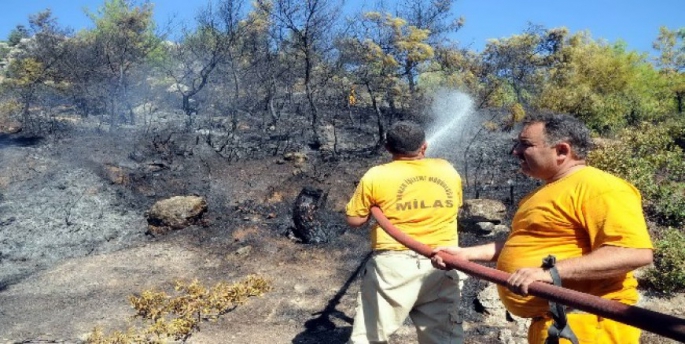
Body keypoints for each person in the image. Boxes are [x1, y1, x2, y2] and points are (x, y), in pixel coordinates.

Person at [432, 113, 654, 344]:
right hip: (555, 325)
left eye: (525, 145)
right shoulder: (541, 193)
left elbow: (633, 252)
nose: (515, 151)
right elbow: (524, 244)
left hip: (589, 327)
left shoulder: (601, 187)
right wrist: (467, 254)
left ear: (561, 151)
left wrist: (549, 274)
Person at [345, 120, 464, 344]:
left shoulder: (376, 175)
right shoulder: (446, 168)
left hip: (394, 267)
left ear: (388, 148)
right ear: (424, 147)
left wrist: (373, 206)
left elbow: (354, 219)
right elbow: (456, 205)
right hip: (445, 261)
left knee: (370, 336)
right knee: (443, 338)